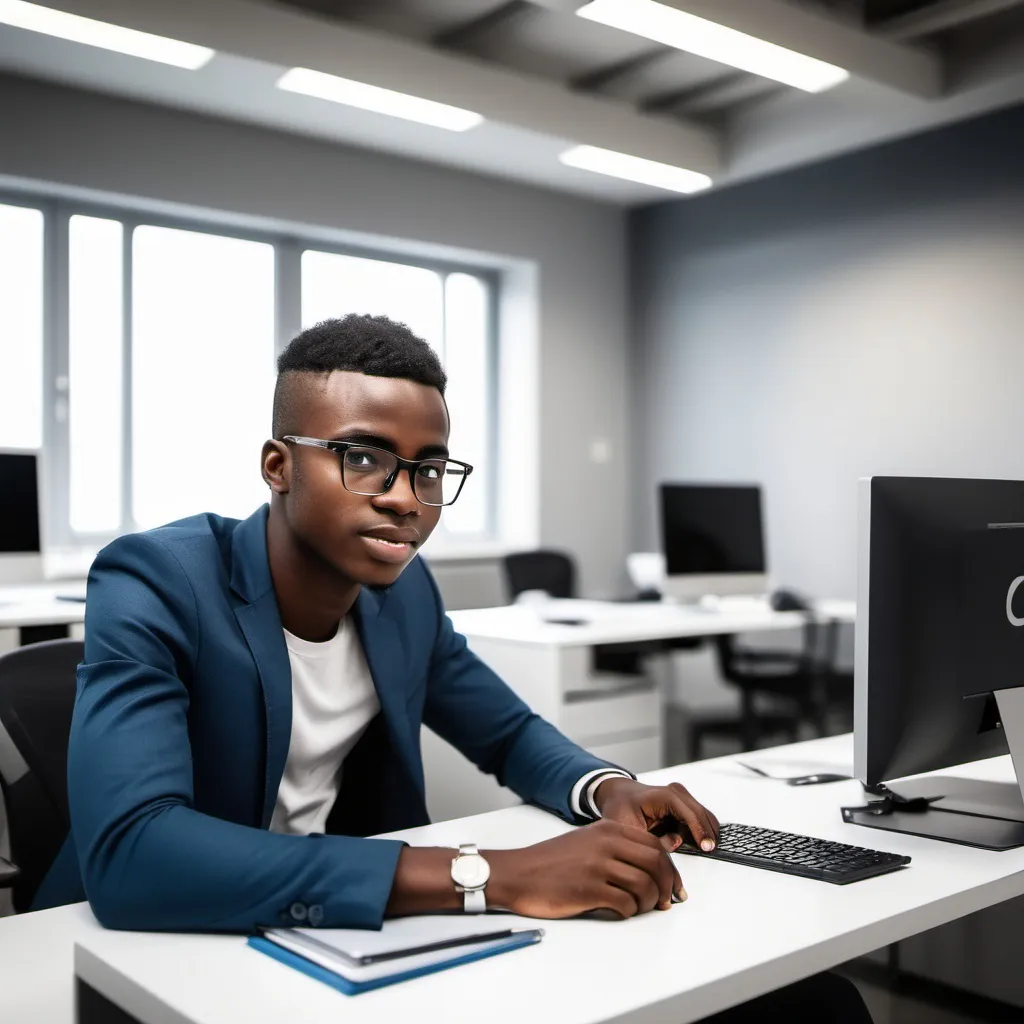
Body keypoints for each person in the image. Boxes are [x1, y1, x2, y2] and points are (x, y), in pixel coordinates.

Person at [36, 314, 871, 1022]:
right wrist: (491, 875)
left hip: (341, 943)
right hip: (152, 958)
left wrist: (610, 789)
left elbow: (506, 732)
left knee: (811, 1005)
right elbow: (134, 854)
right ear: (278, 465)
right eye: (362, 457)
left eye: (429, 468)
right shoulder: (156, 578)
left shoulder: (405, 594)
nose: (406, 496)